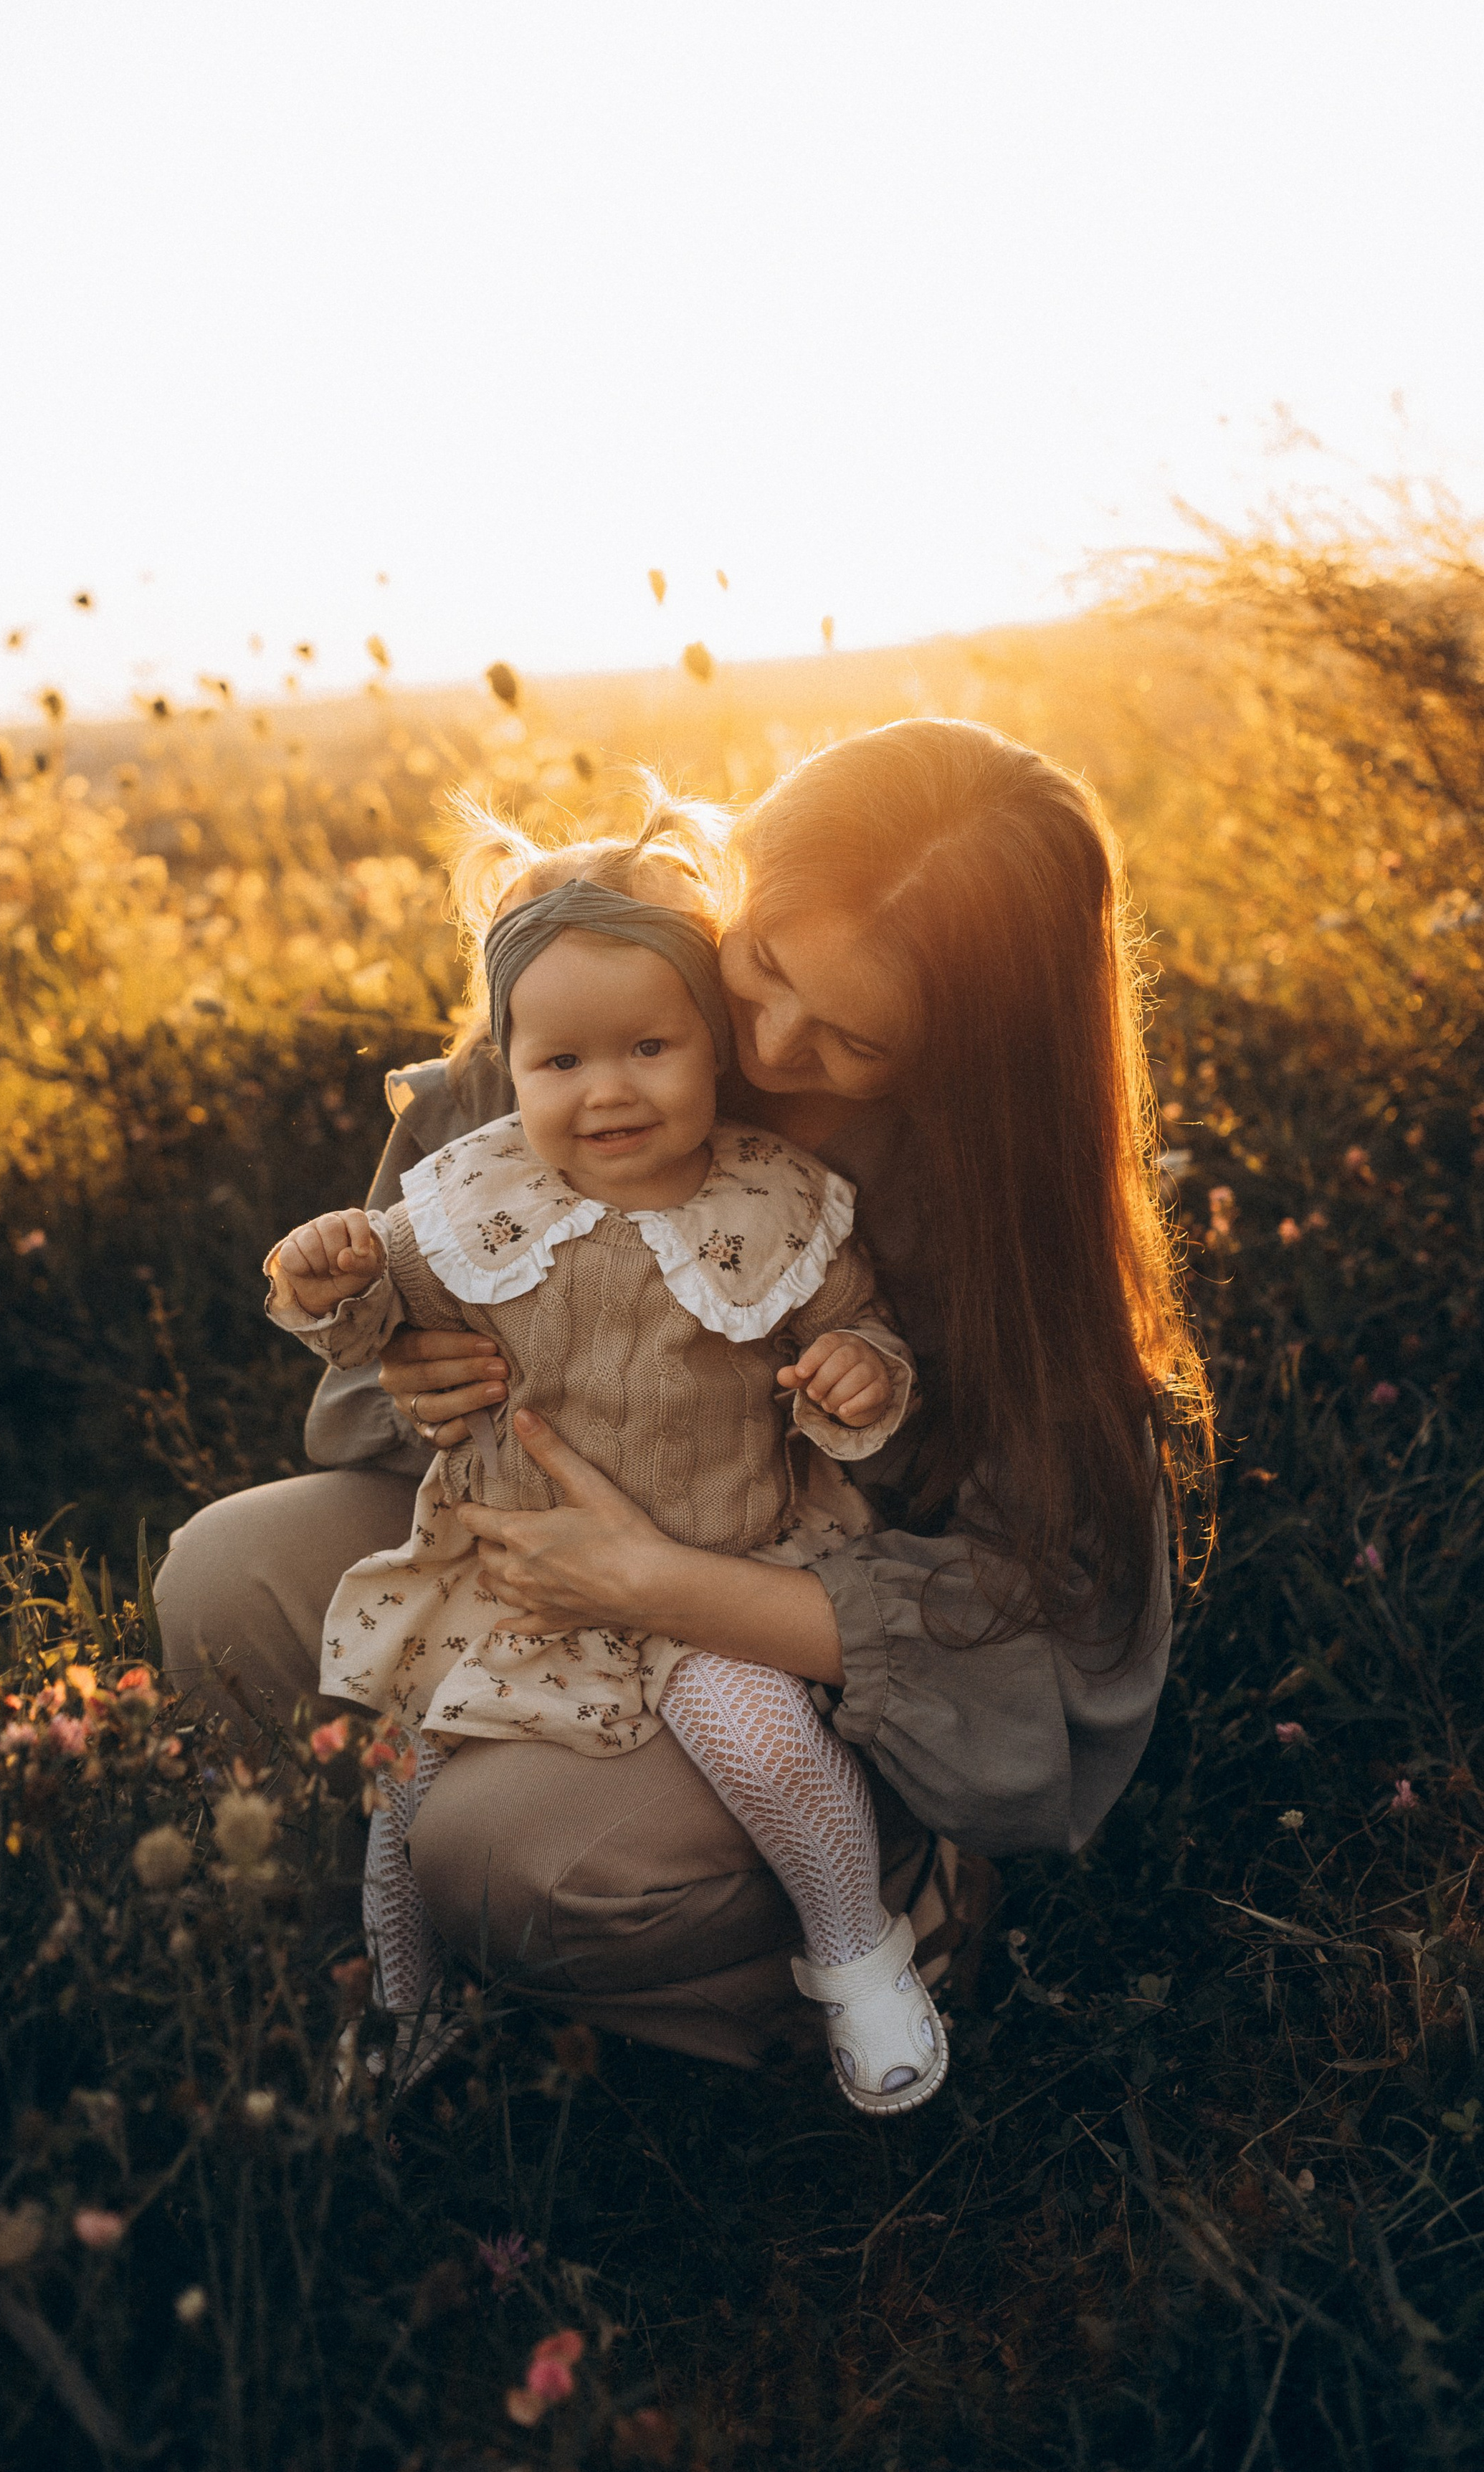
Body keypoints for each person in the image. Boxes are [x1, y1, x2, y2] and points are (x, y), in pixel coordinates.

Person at [158, 719, 1209, 2074]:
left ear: (967, 1048)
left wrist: (657, 1583)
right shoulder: (605, 1000)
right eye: (761, 964)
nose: (765, 1041)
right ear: (738, 874)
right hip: (510, 1540)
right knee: (224, 1581)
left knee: (505, 1865)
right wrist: (414, 1372)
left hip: (772, 1622)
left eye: (853, 1039)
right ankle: (354, 1964)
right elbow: (372, 1333)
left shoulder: (995, 1211)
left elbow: (1044, 1624)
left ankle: (869, 1910)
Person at [264, 819, 943, 2113]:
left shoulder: (775, 1199)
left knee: (767, 1748)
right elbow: (379, 1311)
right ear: (507, 1066)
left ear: (713, 1044)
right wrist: (331, 1280)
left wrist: (863, 1369)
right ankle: (403, 2020)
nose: (607, 1091)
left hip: (716, 1565)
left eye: (650, 1047)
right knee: (405, 1806)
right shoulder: (477, 1194)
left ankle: (862, 1957)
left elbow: (849, 1319)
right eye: (560, 1059)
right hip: (513, 1576)